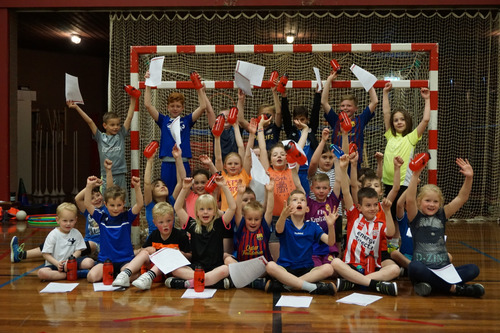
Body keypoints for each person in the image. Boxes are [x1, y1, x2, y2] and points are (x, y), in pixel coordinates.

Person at [406, 158, 484, 297]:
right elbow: (410, 199)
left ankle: (433, 286)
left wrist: (469, 178)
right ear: (419, 202)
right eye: (427, 200)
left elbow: (461, 198)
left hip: (444, 269)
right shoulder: (415, 217)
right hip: (423, 269)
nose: (432, 204)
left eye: (436, 201)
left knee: (473, 269)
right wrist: (415, 175)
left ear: (440, 204)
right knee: (414, 267)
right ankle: (456, 289)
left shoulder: (442, 215)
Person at [331, 155, 400, 296]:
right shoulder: (354, 215)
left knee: (395, 270)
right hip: (352, 264)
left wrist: (387, 212)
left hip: (372, 266)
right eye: (368, 205)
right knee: (335, 263)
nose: (373, 208)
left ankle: (353, 282)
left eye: (375, 205)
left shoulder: (380, 221)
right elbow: (346, 191)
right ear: (359, 207)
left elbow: (391, 233)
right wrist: (344, 169)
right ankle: (375, 285)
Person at [382, 82, 431, 250]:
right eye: (396, 120)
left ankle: (409, 245)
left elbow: (425, 119)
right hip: (389, 182)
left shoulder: (410, 138)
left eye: (402, 119)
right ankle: (393, 246)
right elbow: (386, 112)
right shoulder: (390, 135)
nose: (398, 122)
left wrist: (427, 99)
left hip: (404, 182)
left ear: (407, 121)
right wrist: (385, 94)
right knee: (391, 213)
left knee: (401, 212)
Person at [166, 175, 236, 289]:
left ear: (215, 212)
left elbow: (232, 208)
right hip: (196, 268)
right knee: (176, 269)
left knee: (226, 269)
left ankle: (190, 283)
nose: (205, 212)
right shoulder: (192, 224)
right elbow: (177, 208)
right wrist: (184, 188)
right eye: (202, 209)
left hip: (215, 267)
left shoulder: (219, 224)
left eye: (209, 209)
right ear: (197, 212)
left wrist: (224, 186)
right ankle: (210, 282)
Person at [144, 70, 207, 194]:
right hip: (167, 163)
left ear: (182, 108)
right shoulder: (163, 120)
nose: (175, 109)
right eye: (172, 106)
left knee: (184, 192)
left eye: (178, 106)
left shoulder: (187, 121)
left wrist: (198, 87)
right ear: (168, 107)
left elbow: (203, 107)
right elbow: (148, 105)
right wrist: (148, 84)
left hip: (183, 162)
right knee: (166, 193)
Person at [265, 190, 337, 295]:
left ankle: (288, 286)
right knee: (270, 266)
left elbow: (330, 242)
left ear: (307, 209)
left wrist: (330, 226)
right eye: (295, 200)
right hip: (286, 269)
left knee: (329, 268)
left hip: (306, 270)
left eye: (302, 200)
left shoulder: (312, 226)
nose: (299, 202)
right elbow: (279, 229)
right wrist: (283, 216)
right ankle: (310, 286)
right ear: (289, 207)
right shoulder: (285, 223)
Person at [67, 90, 137, 193]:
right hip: (105, 175)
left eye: (118, 124)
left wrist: (133, 100)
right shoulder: (100, 137)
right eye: (112, 125)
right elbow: (90, 121)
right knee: (107, 201)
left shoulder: (121, 135)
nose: (116, 127)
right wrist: (77, 107)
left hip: (120, 174)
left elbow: (129, 117)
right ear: (105, 125)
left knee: (121, 202)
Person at [112, 202, 191, 290]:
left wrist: (180, 253)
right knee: (144, 252)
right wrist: (147, 249)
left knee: (166, 254)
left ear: (173, 219)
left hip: (172, 271)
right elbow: (142, 252)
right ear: (155, 223)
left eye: (168, 221)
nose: (165, 225)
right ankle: (125, 273)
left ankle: (147, 277)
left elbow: (190, 257)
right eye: (161, 222)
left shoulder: (181, 235)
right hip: (152, 271)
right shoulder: (154, 235)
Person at [257, 116, 304, 261]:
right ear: (270, 159)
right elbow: (263, 149)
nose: (279, 156)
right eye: (275, 155)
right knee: (275, 254)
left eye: (282, 154)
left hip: (292, 217)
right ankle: (278, 272)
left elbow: (299, 149)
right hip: (272, 217)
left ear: (287, 158)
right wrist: (260, 128)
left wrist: (305, 130)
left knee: (292, 249)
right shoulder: (268, 171)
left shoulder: (292, 169)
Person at [85, 175, 144, 283]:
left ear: (124, 204)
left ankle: (116, 274)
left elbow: (140, 204)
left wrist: (137, 187)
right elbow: (87, 204)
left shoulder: (127, 217)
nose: (116, 208)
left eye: (119, 205)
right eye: (112, 205)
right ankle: (112, 274)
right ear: (106, 204)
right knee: (91, 277)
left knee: (130, 276)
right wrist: (89, 186)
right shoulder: (101, 218)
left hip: (124, 260)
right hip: (105, 261)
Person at [321, 70, 378, 168]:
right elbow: (324, 102)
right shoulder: (336, 120)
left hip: (354, 163)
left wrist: (368, 83)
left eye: (349, 105)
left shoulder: (360, 120)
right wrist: (329, 80)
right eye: (342, 106)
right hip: (337, 162)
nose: (345, 108)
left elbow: (374, 102)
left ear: (356, 108)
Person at [37, 203, 95, 281]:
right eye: (65, 221)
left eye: (71, 220)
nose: (68, 223)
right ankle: (72, 274)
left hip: (72, 263)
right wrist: (57, 264)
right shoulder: (53, 234)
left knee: (89, 262)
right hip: (54, 265)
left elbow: (79, 250)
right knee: (42, 273)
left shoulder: (76, 233)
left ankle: (71, 272)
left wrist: (71, 260)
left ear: (76, 220)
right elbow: (45, 254)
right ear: (57, 220)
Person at [281, 84, 321, 196]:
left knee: (311, 197)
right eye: (296, 119)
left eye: (302, 119)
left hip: (311, 171)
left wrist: (318, 94)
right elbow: (285, 115)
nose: (299, 122)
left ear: (307, 120)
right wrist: (284, 97)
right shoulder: (291, 131)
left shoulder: (310, 129)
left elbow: (315, 112)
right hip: (296, 171)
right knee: (296, 196)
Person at [225, 179, 275, 265]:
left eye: (256, 219)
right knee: (228, 259)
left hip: (262, 268)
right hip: (243, 267)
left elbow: (269, 210)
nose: (253, 222)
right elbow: (238, 211)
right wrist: (240, 194)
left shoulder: (264, 227)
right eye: (250, 219)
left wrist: (270, 192)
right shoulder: (241, 226)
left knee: (272, 265)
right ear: (244, 217)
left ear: (261, 218)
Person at [143, 144, 181, 235]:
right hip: (153, 243)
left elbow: (180, 183)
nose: (162, 186)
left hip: (170, 241)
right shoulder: (149, 204)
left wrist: (177, 159)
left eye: (164, 185)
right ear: (152, 192)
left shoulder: (171, 201)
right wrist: (150, 160)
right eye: (157, 186)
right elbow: (147, 184)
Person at [306, 173, 342, 266]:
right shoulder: (308, 203)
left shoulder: (332, 202)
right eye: (318, 188)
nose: (321, 191)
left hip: (329, 249)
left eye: (324, 188)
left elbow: (338, 181)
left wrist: (339, 161)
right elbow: (298, 185)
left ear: (329, 189)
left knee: (333, 269)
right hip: (313, 249)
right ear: (312, 189)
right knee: (316, 268)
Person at [238, 87, 282, 151]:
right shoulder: (254, 127)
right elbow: (241, 120)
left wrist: (274, 92)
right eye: (263, 114)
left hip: (271, 158)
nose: (265, 116)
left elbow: (278, 112)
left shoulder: (275, 127)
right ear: (258, 115)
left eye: (268, 114)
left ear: (273, 116)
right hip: (257, 157)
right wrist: (240, 100)